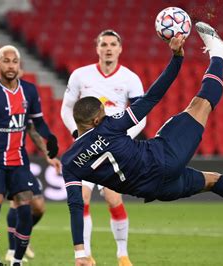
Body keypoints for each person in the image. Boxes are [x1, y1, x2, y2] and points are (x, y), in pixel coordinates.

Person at [61, 22, 223, 266]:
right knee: (201, 104)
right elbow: (153, 97)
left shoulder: (69, 163)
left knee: (215, 181)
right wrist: (177, 58)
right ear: (97, 119)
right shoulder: (110, 125)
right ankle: (219, 54)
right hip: (163, 157)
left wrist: (80, 253)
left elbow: (75, 205)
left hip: (156, 190)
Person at [0, 45, 59, 266]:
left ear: (19, 64)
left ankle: (16, 260)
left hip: (18, 161)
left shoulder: (30, 91)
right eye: (6, 61)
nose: (10, 65)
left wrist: (51, 139)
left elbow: (37, 123)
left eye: (14, 61)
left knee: (26, 210)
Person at [61, 29, 146, 266]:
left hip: (114, 150)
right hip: (88, 148)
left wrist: (121, 137)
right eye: (104, 44)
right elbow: (66, 108)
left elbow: (142, 116)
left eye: (112, 44)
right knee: (83, 197)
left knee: (113, 198)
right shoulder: (80, 75)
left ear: (120, 49)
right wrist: (76, 133)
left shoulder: (130, 78)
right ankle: (86, 255)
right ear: (97, 48)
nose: (108, 48)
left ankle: (122, 254)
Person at [0, 123, 62, 263]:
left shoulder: (24, 103)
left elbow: (32, 129)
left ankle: (21, 238)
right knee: (15, 202)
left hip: (18, 160)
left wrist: (47, 154)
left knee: (38, 207)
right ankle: (12, 251)